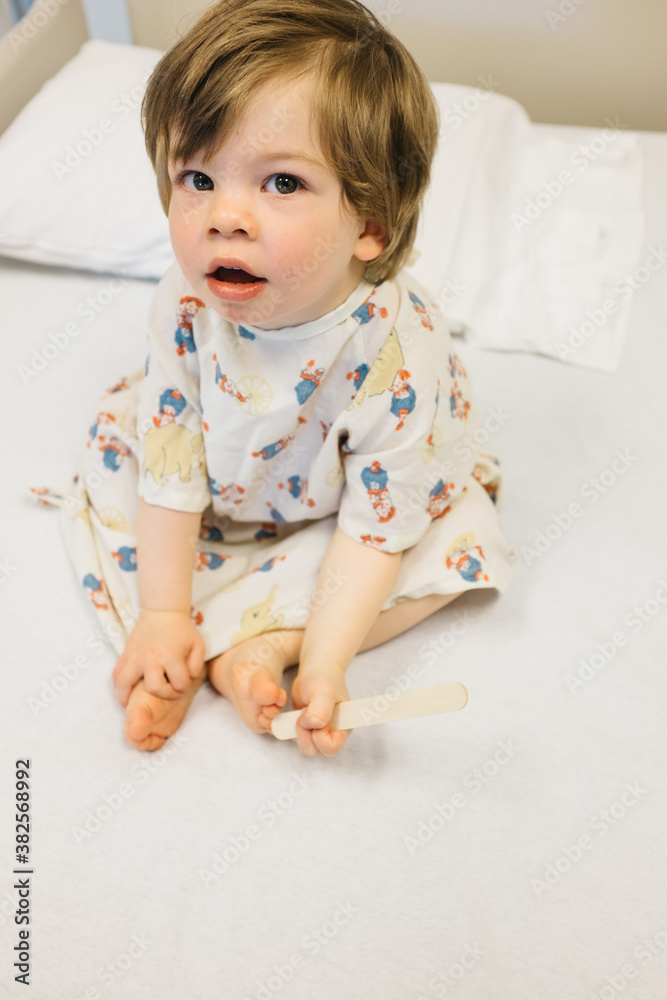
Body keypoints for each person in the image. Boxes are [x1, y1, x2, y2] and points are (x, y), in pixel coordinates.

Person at [56, 0, 517, 758]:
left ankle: (271, 648)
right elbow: (171, 464)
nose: (224, 216)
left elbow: (374, 531)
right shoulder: (184, 305)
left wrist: (328, 666)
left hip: (349, 508)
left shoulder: (397, 351)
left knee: (461, 539)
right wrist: (163, 615)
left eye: (281, 183)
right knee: (120, 461)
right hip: (224, 488)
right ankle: (188, 646)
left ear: (370, 222)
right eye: (197, 176)